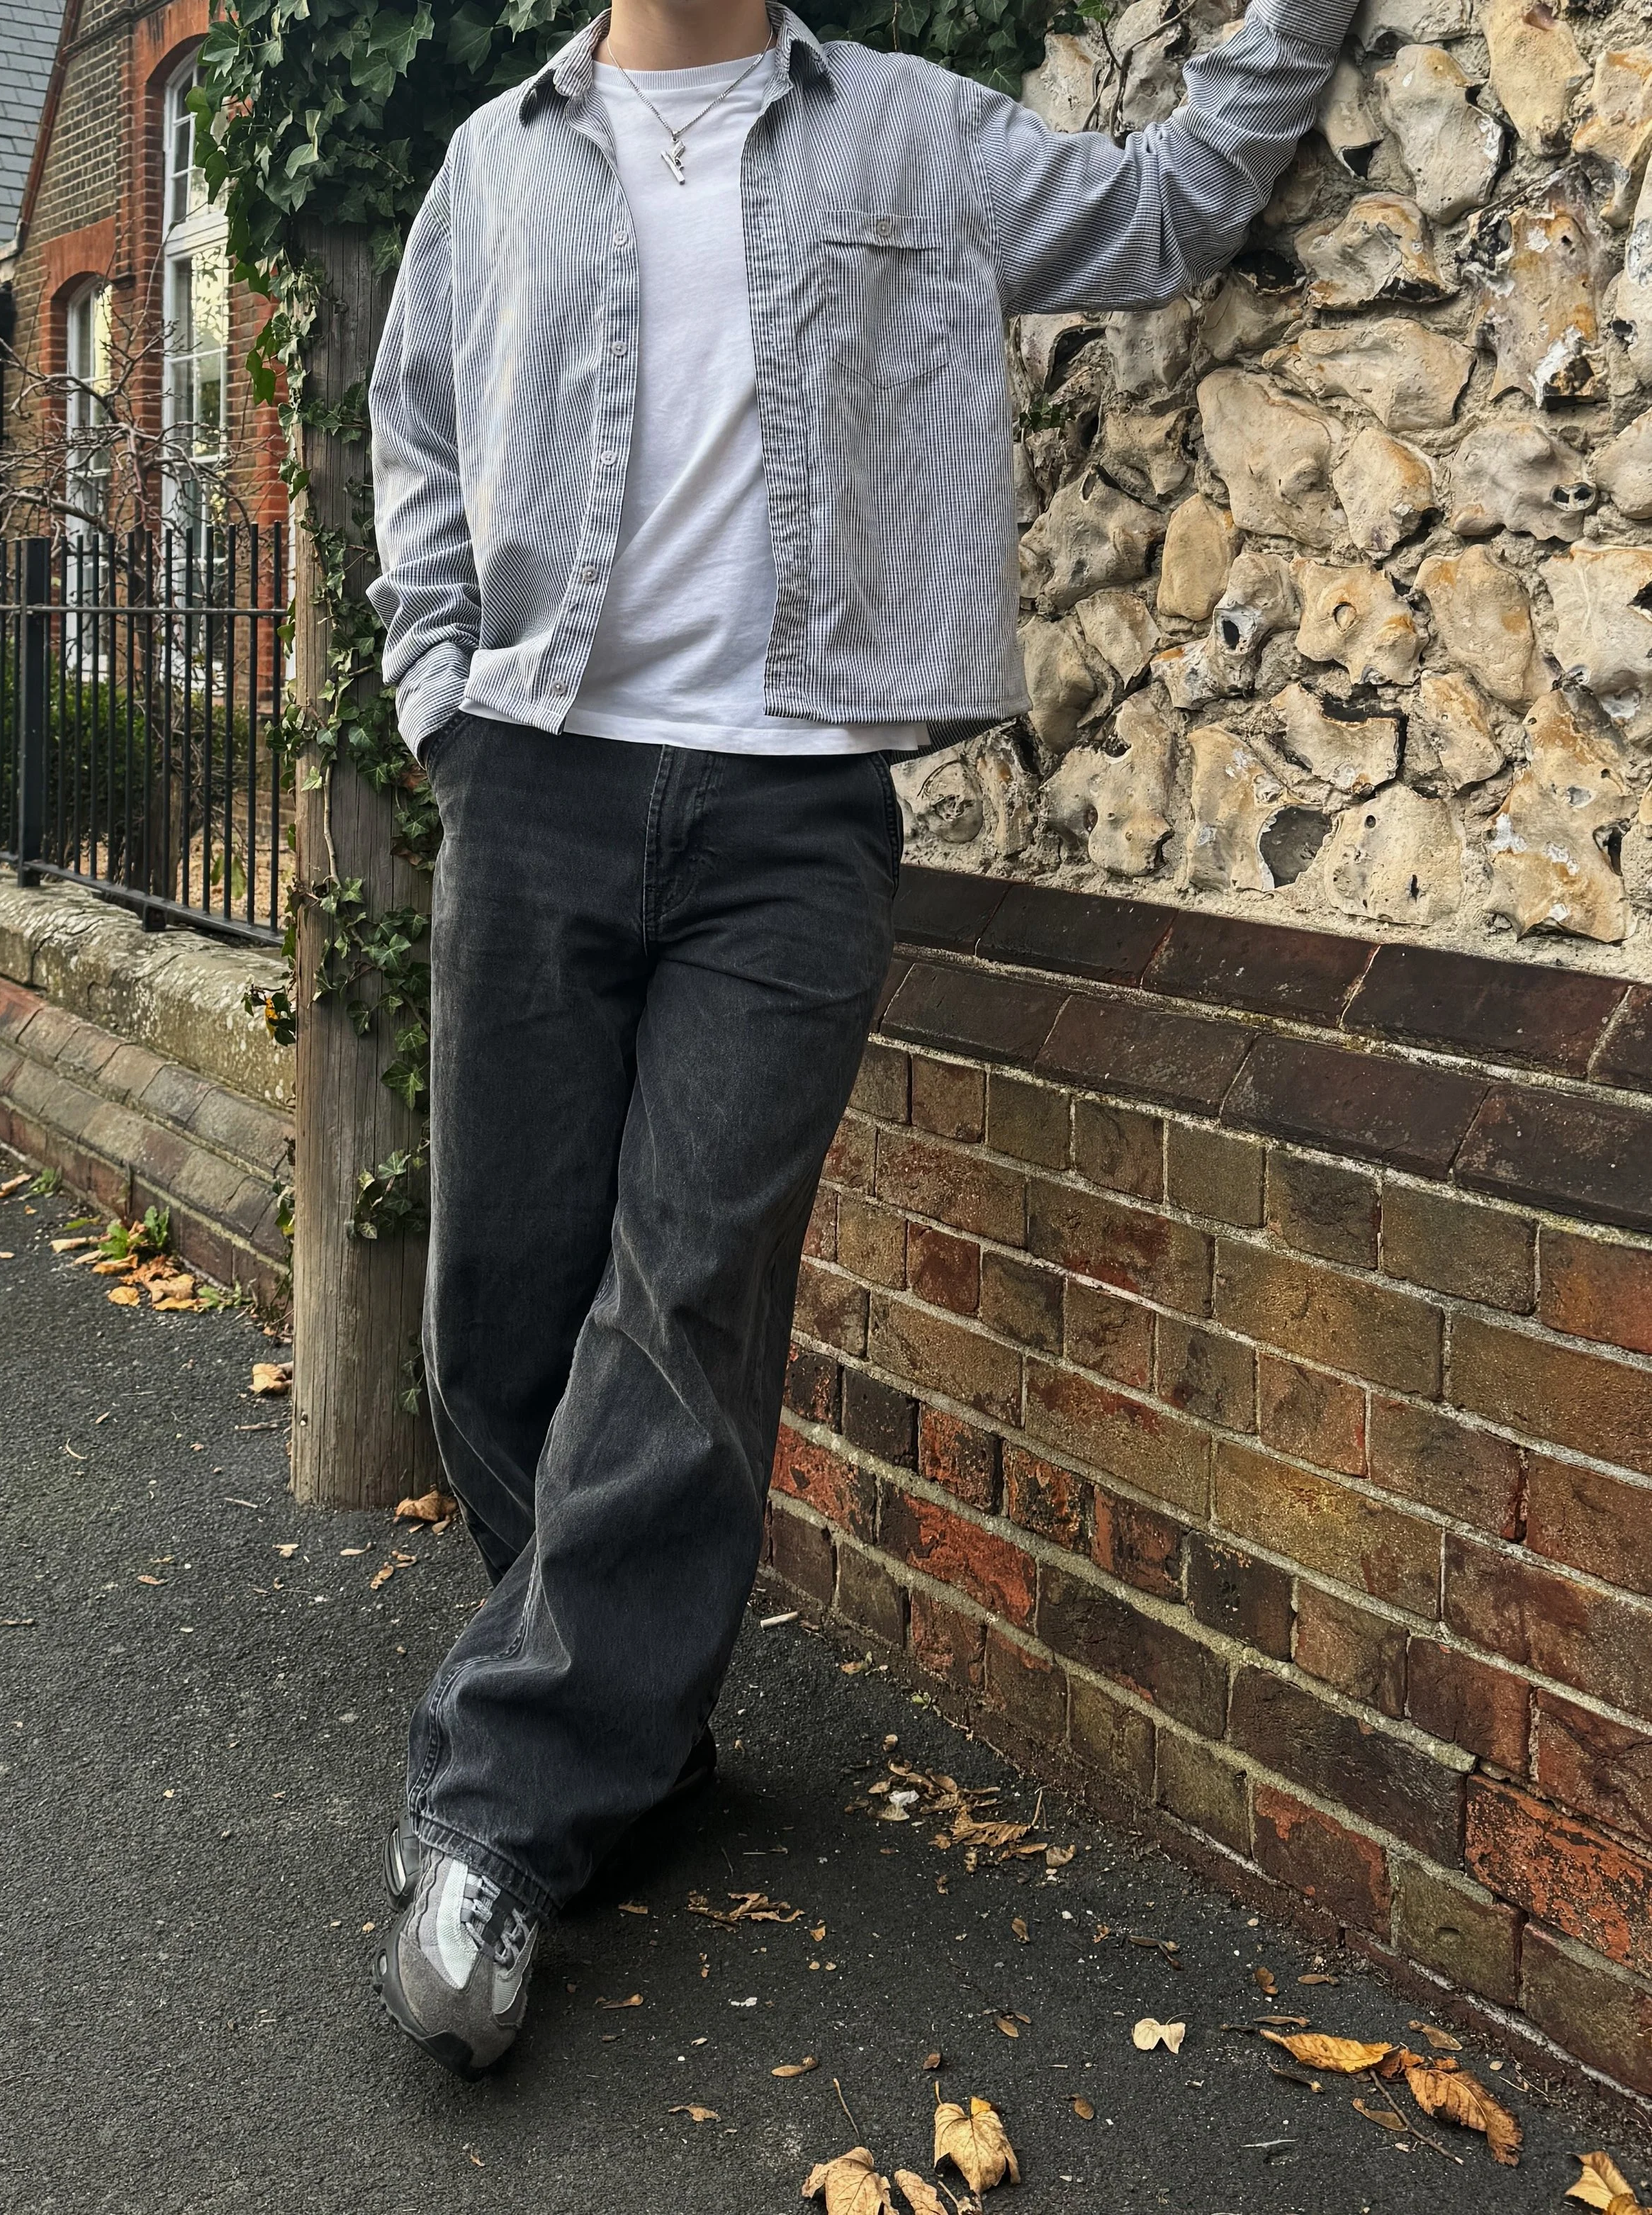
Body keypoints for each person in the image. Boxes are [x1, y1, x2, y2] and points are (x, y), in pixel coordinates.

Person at [367, 0, 1357, 2077]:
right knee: (496, 1321)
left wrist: (1302, 20)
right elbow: (413, 417)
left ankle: (494, 1816)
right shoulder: (499, 158)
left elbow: (1162, 214)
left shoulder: (908, 132)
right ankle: (629, 1734)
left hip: (789, 819)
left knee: (684, 1297)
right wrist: (437, 690)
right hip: (533, 787)